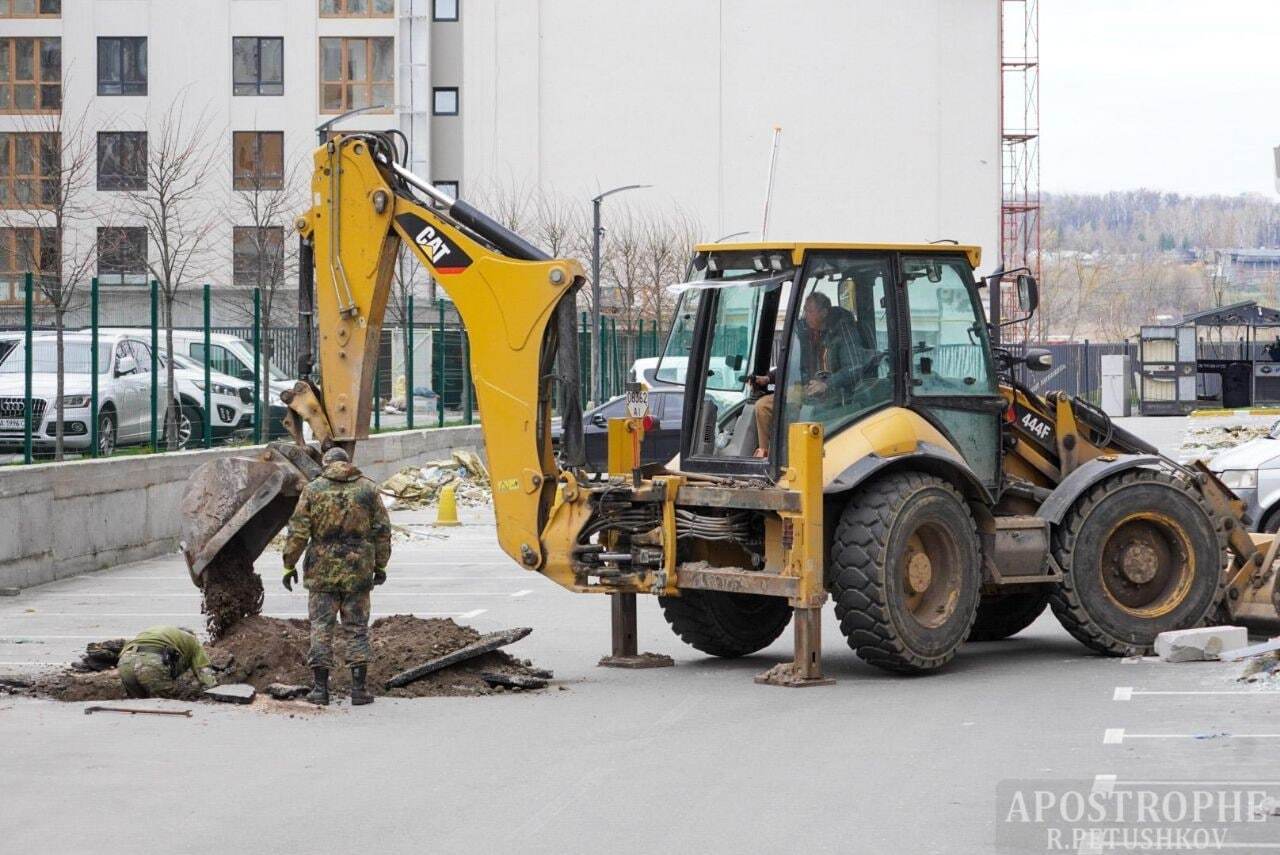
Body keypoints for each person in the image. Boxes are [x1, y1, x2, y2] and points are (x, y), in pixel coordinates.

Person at [282, 446, 391, 707]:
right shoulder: (367, 489)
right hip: (358, 568)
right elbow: (382, 530)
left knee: (321, 627)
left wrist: (289, 564)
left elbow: (298, 530)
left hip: (322, 569)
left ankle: (320, 690)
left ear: (326, 463)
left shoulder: (313, 489)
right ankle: (359, 690)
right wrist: (380, 565)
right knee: (356, 628)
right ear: (347, 463)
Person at [753, 290, 868, 457]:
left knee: (796, 411)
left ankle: (792, 457)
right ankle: (767, 456)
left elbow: (854, 368)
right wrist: (768, 378)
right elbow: (793, 366)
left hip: (836, 395)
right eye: (804, 310)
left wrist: (827, 384)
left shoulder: (842, 331)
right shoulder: (804, 334)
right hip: (806, 391)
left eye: (809, 311)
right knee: (762, 406)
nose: (805, 315)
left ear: (824, 313)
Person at [117, 625, 217, 699]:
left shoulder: (158, 632)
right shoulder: (192, 640)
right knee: (167, 703)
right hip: (151, 663)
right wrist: (213, 691)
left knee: (139, 704)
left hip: (125, 662)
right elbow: (204, 669)